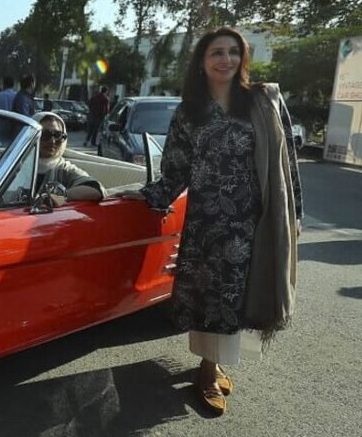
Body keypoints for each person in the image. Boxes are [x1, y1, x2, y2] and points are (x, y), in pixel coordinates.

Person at [118, 27, 302, 416]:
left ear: (243, 58)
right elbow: (176, 170)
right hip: (206, 223)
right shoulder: (189, 112)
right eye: (216, 53)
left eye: (233, 52)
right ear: (202, 62)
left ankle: (213, 364)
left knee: (242, 297)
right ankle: (207, 368)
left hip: (255, 222)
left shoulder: (262, 101)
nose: (226, 60)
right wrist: (146, 195)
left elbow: (287, 166)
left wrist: (295, 214)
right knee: (210, 300)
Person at [33, 111, 105, 202]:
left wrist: (61, 196)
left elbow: (95, 189)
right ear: (33, 135)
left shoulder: (64, 168)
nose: (52, 141)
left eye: (58, 135)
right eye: (45, 135)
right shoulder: (17, 163)